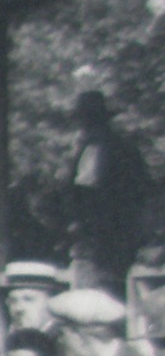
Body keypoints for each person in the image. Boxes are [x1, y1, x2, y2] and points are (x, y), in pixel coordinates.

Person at [65, 90, 151, 292]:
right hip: (109, 235)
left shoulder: (102, 149)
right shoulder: (96, 149)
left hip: (108, 236)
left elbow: (86, 193)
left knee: (107, 287)